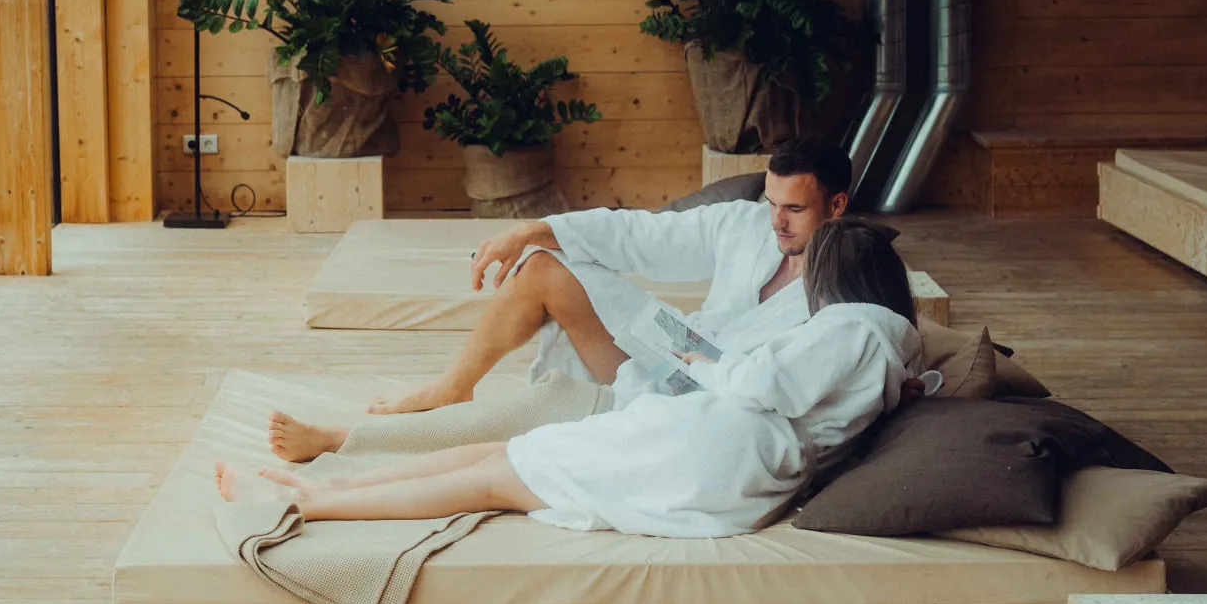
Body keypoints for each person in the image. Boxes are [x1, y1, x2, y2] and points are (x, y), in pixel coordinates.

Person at [217, 218, 922, 537]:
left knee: (498, 477)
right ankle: (328, 487)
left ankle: (301, 508)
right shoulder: (888, 346)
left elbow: (760, 383)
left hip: (717, 449)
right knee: (505, 459)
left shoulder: (852, 327)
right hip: (709, 440)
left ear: (842, 278)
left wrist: (685, 347)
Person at [352, 134, 857, 420]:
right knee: (543, 266)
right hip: (679, 343)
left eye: (793, 209)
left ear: (836, 205)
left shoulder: (855, 276)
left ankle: (604, 410)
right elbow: (640, 235)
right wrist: (534, 229)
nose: (776, 222)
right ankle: (451, 389)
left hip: (724, 402)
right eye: (771, 204)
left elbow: (884, 341)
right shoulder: (743, 223)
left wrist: (907, 382)